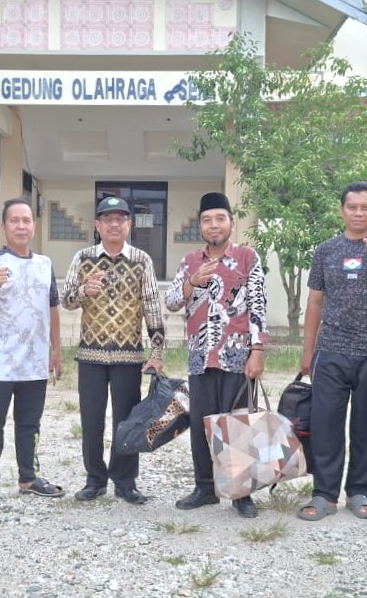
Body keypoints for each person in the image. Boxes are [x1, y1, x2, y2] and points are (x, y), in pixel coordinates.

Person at [297, 182, 367, 522]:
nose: (359, 213)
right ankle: (324, 493)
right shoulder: (326, 250)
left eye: (366, 207)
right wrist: (308, 350)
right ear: (342, 210)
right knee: (325, 422)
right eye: (352, 207)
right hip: (331, 350)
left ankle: (360, 490)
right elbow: (315, 301)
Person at [166, 192, 268, 519]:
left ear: (231, 223)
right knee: (201, 424)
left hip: (238, 357)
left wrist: (258, 350)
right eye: (207, 220)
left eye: (219, 219)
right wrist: (190, 284)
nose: (213, 226)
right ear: (200, 225)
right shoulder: (189, 262)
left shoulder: (248, 258)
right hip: (200, 357)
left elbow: (258, 306)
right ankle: (205, 488)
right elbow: (171, 301)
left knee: (238, 424)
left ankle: (242, 494)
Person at [60, 196, 165, 505]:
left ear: (129, 225)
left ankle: (125, 480)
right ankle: (95, 478)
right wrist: (83, 291)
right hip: (91, 355)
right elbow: (65, 300)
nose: (114, 224)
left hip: (129, 356)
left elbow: (151, 307)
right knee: (91, 420)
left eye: (120, 219)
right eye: (108, 219)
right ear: (98, 225)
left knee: (127, 422)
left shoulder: (142, 260)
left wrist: (156, 352)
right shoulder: (83, 258)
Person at [0, 197, 64, 507]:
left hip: (35, 360)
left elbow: (52, 307)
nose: (22, 226)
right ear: (4, 226)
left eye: (27, 220)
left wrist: (57, 350)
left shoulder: (45, 264)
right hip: (0, 360)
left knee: (30, 424)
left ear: (33, 226)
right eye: (15, 220)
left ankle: (28, 477)